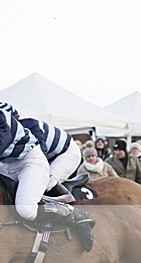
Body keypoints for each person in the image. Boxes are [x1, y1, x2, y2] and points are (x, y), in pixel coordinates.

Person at [0, 102, 94, 250]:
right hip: (10, 163)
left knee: (31, 202)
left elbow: (41, 151)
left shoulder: (20, 123)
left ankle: (74, 213)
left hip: (60, 154)